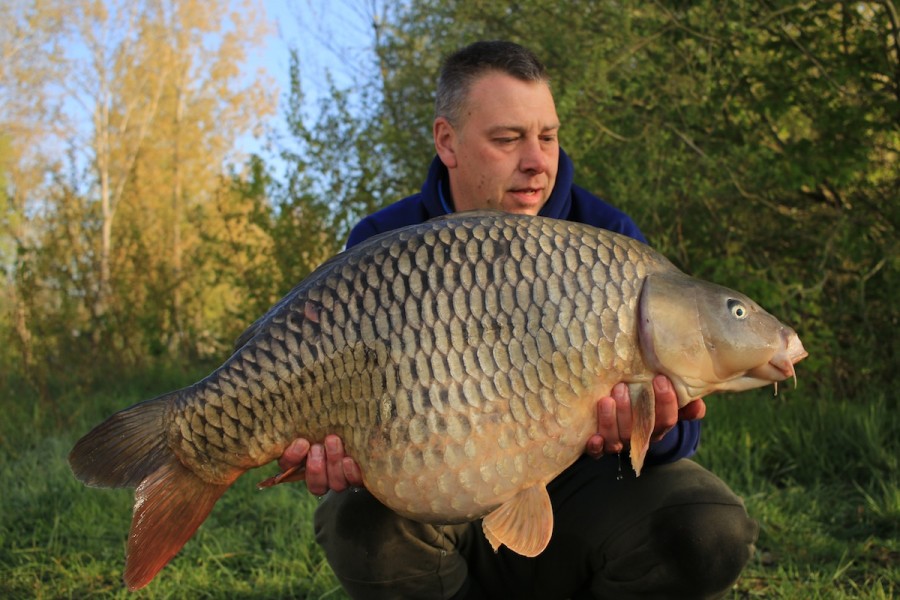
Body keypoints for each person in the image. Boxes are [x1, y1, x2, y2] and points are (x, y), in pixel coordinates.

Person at [277, 41, 758, 599]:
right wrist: (330, 451)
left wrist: (659, 425)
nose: (538, 161)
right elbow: (322, 395)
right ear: (447, 141)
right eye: (508, 139)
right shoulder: (383, 246)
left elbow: (685, 429)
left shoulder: (609, 239)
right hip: (438, 489)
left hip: (585, 497)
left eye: (547, 136)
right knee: (355, 520)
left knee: (708, 529)